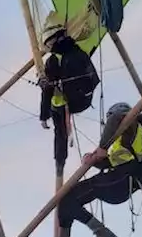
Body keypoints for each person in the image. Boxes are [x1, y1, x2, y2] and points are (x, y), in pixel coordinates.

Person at [43, 101, 142, 237]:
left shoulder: (130, 123)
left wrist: (103, 147)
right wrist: (93, 160)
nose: (108, 126)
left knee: (70, 196)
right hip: (118, 178)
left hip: (123, 178)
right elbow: (113, 161)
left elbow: (115, 119)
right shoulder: (127, 136)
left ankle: (102, 232)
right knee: (66, 199)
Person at [38, 14, 100, 179]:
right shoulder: (78, 50)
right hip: (85, 98)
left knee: (60, 132)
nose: (49, 46)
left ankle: (60, 162)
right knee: (58, 117)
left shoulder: (53, 60)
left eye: (49, 42)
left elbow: (47, 91)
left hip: (68, 103)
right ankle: (60, 161)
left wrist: (43, 116)